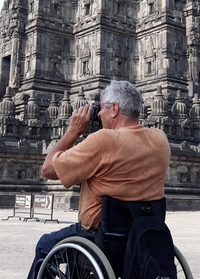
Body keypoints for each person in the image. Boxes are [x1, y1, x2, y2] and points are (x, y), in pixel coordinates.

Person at [27, 80, 171, 279]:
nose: (99, 114)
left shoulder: (103, 141)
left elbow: (48, 169)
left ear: (114, 109)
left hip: (103, 239)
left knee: (44, 245)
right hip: (145, 236)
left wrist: (74, 131)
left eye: (101, 108)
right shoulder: (160, 139)